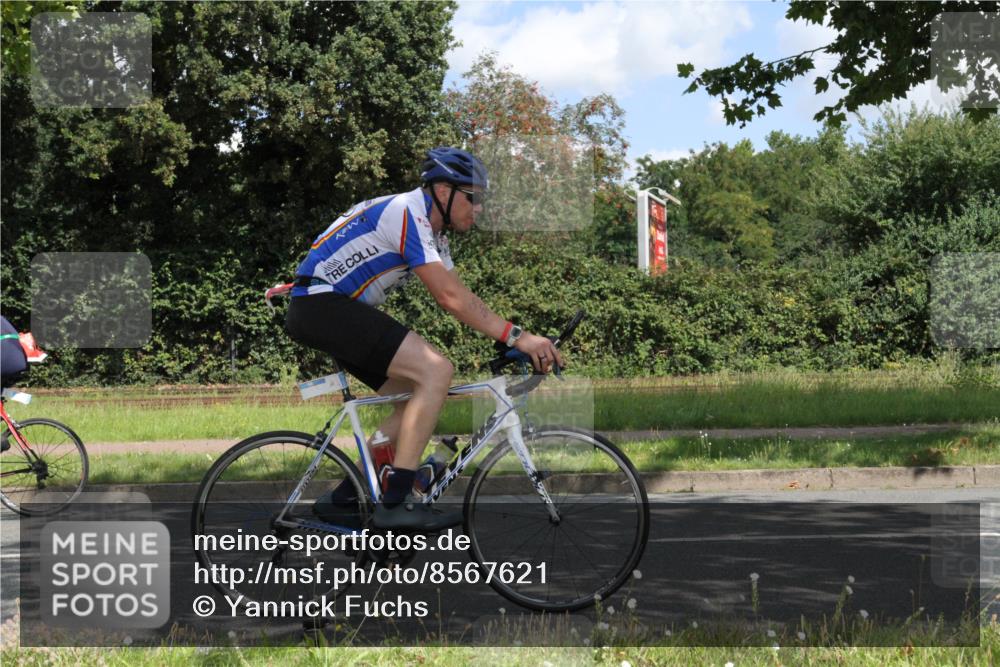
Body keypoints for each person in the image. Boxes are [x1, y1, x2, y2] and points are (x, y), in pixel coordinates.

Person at [285, 147, 563, 531]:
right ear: (444, 193)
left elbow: (459, 295)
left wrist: (506, 338)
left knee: (412, 394)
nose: (478, 208)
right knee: (436, 371)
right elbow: (449, 298)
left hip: (327, 308)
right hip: (322, 305)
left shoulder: (434, 231)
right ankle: (395, 503)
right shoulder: (408, 212)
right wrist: (518, 336)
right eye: (474, 197)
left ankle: (347, 497)